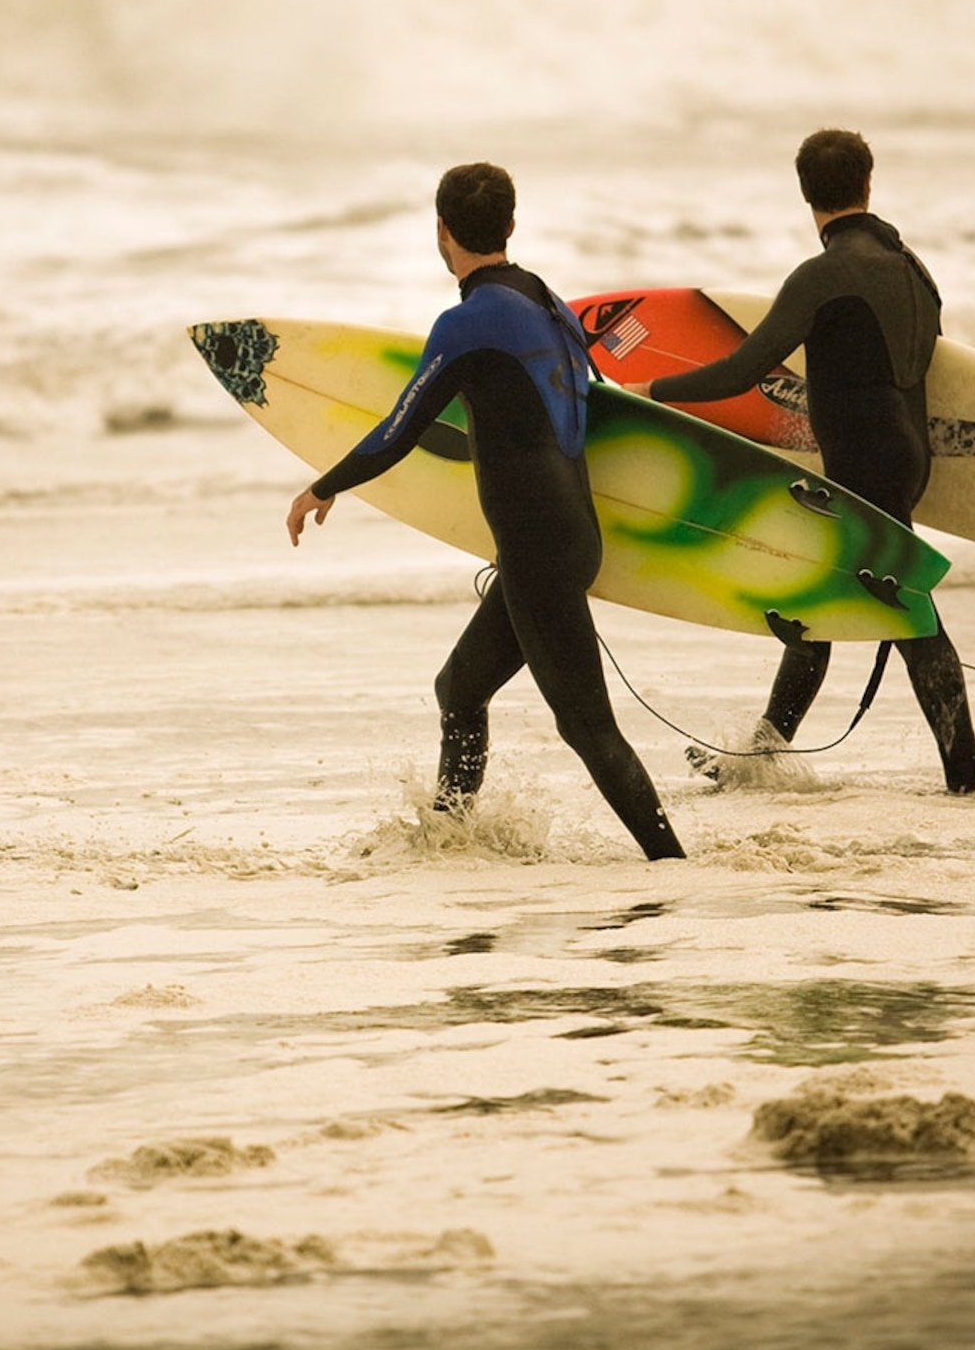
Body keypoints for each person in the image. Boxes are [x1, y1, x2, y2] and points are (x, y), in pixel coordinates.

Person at [288, 164, 687, 861]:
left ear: (442, 233)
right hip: (571, 533)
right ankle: (451, 836)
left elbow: (400, 428)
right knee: (460, 688)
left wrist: (324, 485)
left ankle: (671, 862)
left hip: (537, 547)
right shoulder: (551, 304)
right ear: (510, 225)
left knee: (588, 725)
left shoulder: (466, 323)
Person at [638, 129, 975, 795]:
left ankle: (966, 780)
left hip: (863, 461)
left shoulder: (824, 275)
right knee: (815, 605)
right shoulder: (914, 269)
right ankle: (762, 755)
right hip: (905, 456)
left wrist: (651, 393)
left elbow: (743, 371)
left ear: (805, 194)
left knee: (910, 615)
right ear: (867, 182)